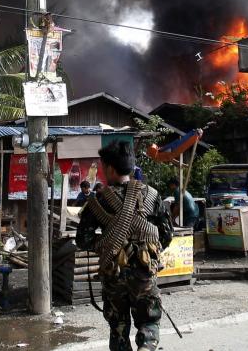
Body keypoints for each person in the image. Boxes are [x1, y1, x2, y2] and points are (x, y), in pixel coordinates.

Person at [76, 141, 173, 351]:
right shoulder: (152, 195)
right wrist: (146, 251)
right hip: (144, 273)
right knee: (148, 322)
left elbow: (82, 239)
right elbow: (166, 235)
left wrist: (106, 245)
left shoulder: (98, 200)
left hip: (113, 275)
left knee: (118, 329)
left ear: (110, 168)